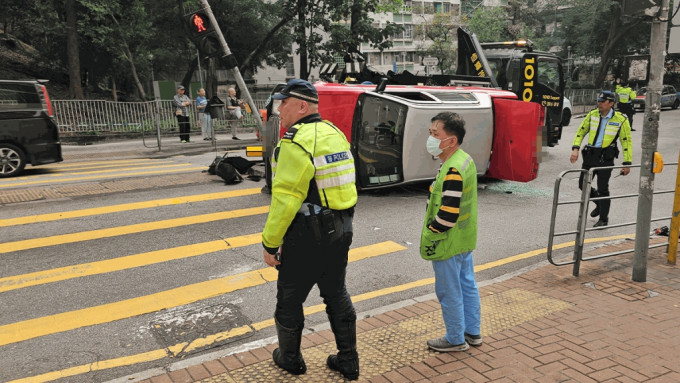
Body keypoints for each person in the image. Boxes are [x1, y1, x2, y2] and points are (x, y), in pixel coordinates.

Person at [261, 79, 360, 380]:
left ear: (302, 106)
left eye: (284, 103)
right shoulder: (334, 134)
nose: (279, 109)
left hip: (307, 234)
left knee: (289, 299)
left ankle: (290, 359)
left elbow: (285, 202)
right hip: (342, 228)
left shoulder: (295, 142)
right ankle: (348, 361)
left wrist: (269, 243)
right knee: (336, 293)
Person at [420, 111, 482, 353]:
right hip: (464, 239)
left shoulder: (453, 168)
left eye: (436, 134)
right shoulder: (464, 159)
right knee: (467, 285)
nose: (431, 138)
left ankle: (455, 339)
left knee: (449, 292)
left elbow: (447, 214)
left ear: (451, 140)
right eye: (430, 133)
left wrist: (430, 233)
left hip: (447, 240)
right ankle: (472, 333)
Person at [570, 90, 632, 227]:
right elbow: (580, 132)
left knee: (603, 188)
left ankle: (604, 219)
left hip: (606, 157)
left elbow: (626, 142)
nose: (599, 103)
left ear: (611, 103)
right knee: (582, 184)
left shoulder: (621, 119)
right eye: (598, 101)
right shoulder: (592, 115)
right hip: (590, 155)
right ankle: (599, 202)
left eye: (602, 101)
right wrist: (575, 149)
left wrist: (627, 163)